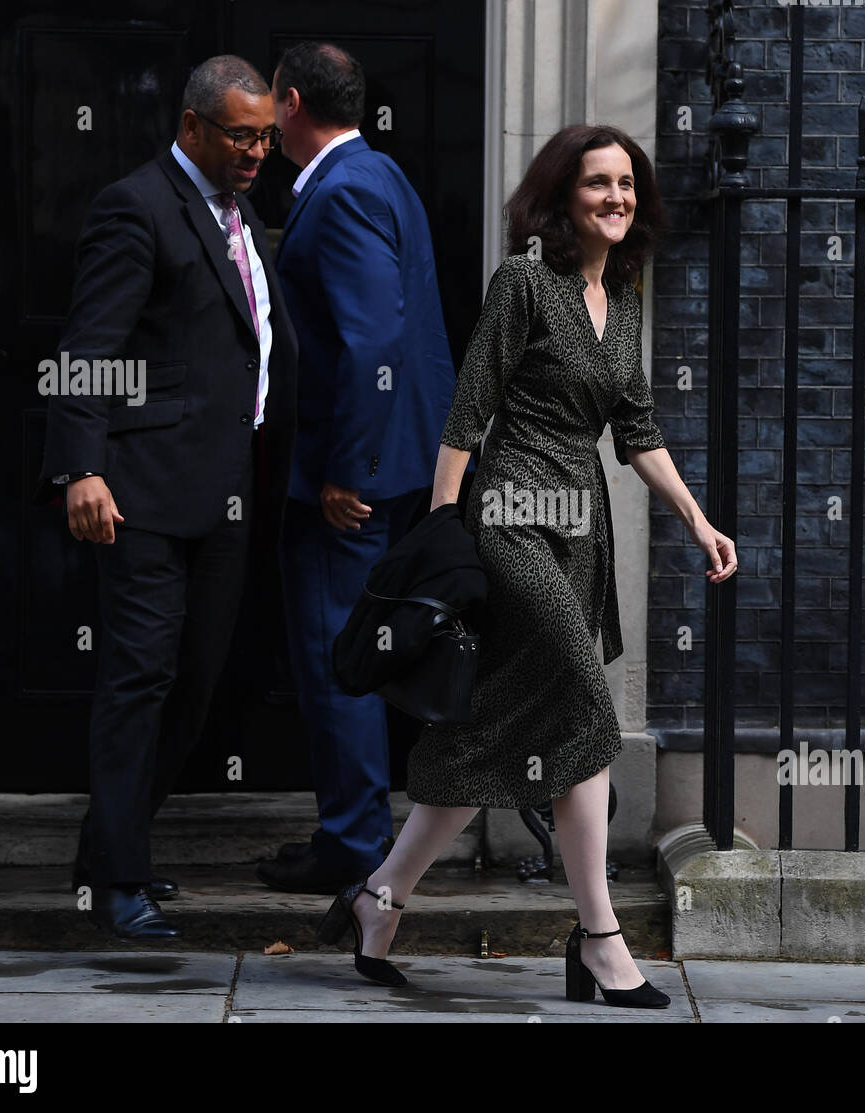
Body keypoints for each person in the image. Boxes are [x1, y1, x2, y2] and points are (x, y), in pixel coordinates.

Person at [317, 125, 737, 1007]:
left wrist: (697, 519)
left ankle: (379, 897)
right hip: (507, 517)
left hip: (579, 528)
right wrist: (442, 532)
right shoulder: (523, 282)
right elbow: (468, 412)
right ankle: (598, 936)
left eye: (627, 184)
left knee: (499, 727)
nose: (616, 198)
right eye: (598, 184)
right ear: (562, 196)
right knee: (588, 701)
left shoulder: (621, 294)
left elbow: (638, 430)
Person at [36, 55, 297, 939]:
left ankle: (115, 851)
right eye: (241, 135)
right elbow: (88, 346)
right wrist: (81, 467)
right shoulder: (137, 207)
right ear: (191, 128)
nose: (259, 150)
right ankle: (114, 884)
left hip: (224, 494)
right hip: (142, 494)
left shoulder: (241, 213)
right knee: (139, 681)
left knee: (194, 683)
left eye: (266, 135)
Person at [259, 42, 456, 894]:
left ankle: (351, 844)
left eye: (270, 101)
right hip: (401, 458)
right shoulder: (380, 175)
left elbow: (374, 339)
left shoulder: (341, 192)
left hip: (356, 475)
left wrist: (350, 470)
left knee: (336, 651)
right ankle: (360, 834)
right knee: (361, 644)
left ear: (290, 100)